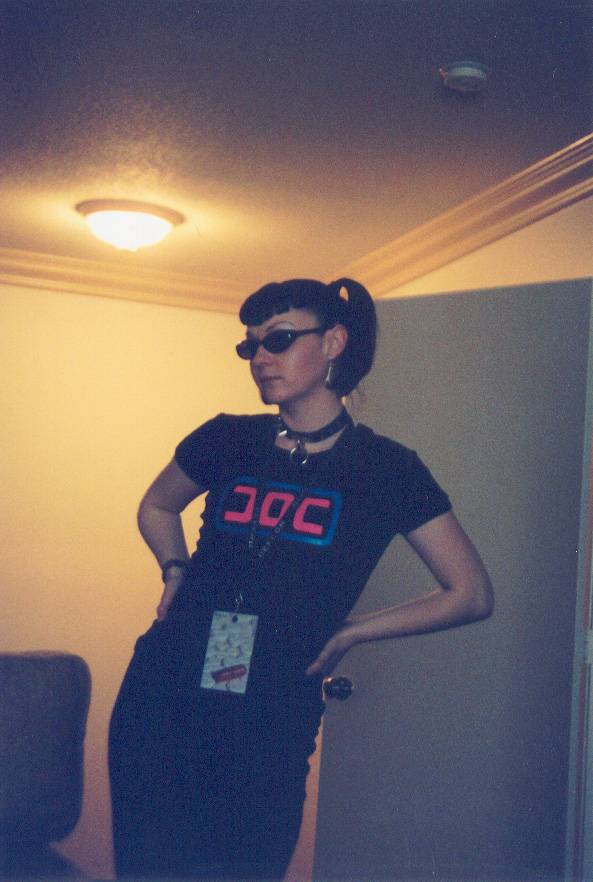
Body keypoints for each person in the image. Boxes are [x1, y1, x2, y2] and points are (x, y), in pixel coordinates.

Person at [109, 277, 494, 880]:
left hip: (271, 705)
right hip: (167, 686)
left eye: (280, 339)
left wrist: (352, 631)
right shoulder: (227, 438)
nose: (260, 357)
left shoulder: (386, 469)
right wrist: (174, 568)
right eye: (251, 345)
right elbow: (156, 506)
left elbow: (470, 594)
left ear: (334, 342)